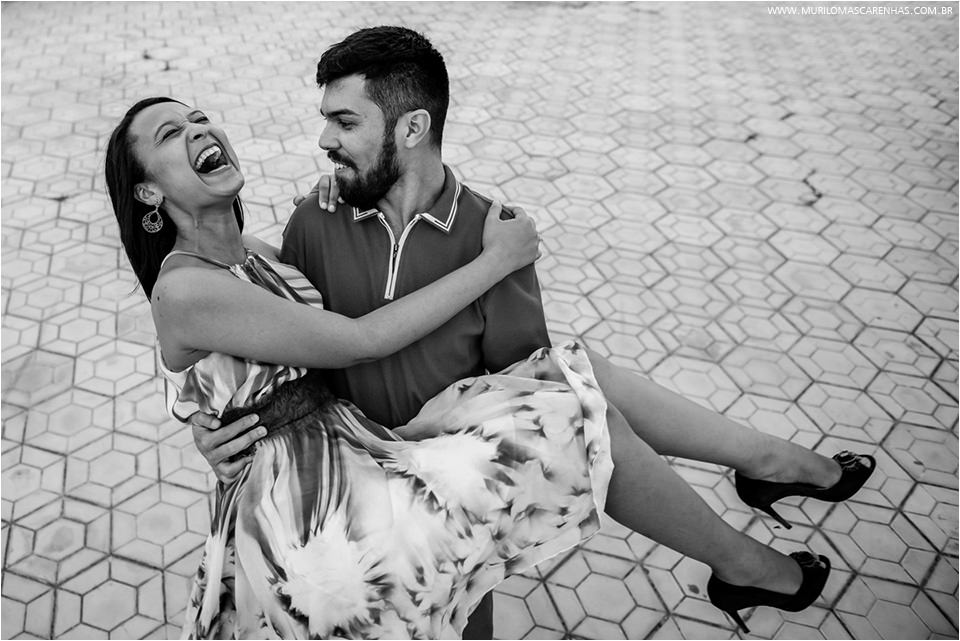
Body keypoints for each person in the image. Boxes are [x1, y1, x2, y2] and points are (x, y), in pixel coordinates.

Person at [175, 26, 876, 638]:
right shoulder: (317, 218)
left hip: (454, 487)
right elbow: (279, 336)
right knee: (583, 387)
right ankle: (765, 481)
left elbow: (524, 389)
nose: (324, 139)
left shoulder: (489, 233)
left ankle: (761, 495)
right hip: (356, 485)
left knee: (572, 398)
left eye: (344, 121)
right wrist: (222, 428)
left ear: (412, 128)